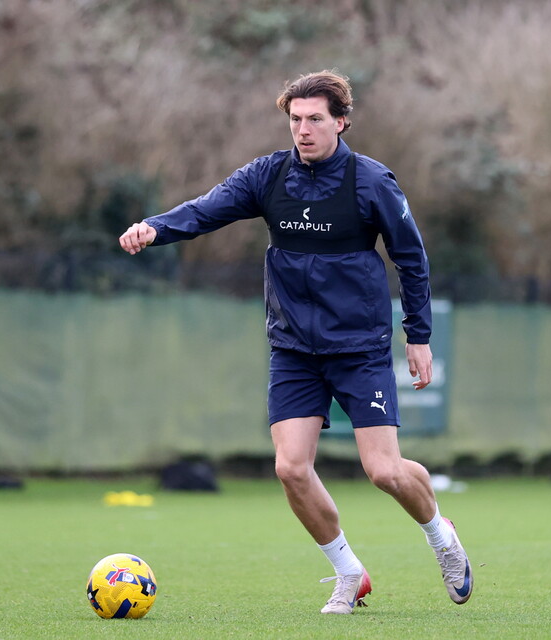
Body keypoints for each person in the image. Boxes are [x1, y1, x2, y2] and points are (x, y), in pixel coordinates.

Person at [118, 70, 472, 614]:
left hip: (358, 348)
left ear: (341, 122)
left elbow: (412, 259)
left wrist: (418, 337)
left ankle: (442, 538)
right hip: (294, 348)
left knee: (384, 471)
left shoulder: (372, 182)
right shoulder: (268, 176)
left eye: (314, 119)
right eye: (295, 120)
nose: (302, 130)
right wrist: (155, 227)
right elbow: (206, 209)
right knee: (290, 468)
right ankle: (349, 574)